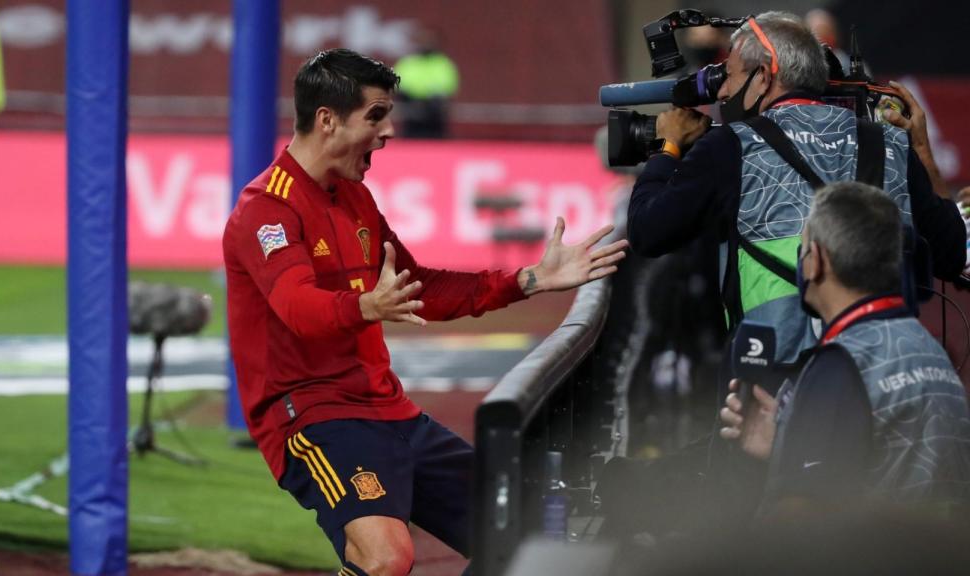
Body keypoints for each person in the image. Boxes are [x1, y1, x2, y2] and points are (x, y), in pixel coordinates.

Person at [222, 49, 628, 576]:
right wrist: (366, 304)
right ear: (327, 119)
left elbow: (423, 288)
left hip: (389, 411)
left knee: (524, 534)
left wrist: (529, 280)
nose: (389, 130)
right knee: (386, 558)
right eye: (375, 115)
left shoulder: (354, 199)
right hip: (314, 418)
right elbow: (298, 307)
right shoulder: (265, 210)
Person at [627, 11, 965, 368]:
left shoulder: (730, 146)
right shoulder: (891, 144)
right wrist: (923, 153)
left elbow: (647, 231)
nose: (723, 91)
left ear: (763, 75)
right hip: (886, 371)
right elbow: (951, 254)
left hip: (769, 382)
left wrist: (669, 147)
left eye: (728, 76)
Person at [720, 182, 970, 513]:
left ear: (818, 260)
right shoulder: (932, 353)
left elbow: (805, 527)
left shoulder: (840, 365)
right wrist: (784, 446)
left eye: (804, 249)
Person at [393, 28, 459, 139]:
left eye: (429, 42)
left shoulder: (442, 63)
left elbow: (448, 86)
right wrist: (413, 97)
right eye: (423, 41)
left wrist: (430, 99)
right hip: (411, 115)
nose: (425, 45)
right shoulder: (408, 63)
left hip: (435, 116)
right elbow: (398, 84)